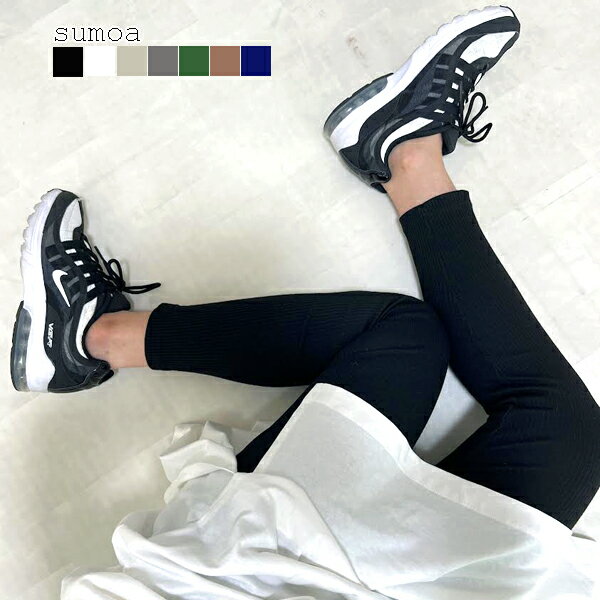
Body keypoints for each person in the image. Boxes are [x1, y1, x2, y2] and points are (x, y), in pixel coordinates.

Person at [11, 6, 600, 599]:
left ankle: (90, 337)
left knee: (401, 337)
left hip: (281, 568)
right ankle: (402, 151)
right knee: (570, 435)